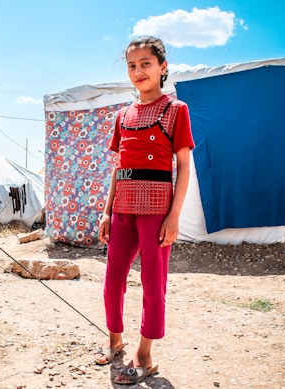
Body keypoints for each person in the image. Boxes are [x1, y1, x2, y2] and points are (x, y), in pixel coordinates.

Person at [94, 36, 195, 385]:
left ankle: (145, 355)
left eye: (146, 64)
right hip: (122, 209)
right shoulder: (123, 115)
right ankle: (115, 341)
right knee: (112, 281)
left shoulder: (175, 110)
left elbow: (184, 166)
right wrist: (107, 211)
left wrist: (174, 215)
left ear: (162, 67)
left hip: (156, 212)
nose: (138, 71)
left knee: (154, 285)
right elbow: (118, 167)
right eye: (132, 66)